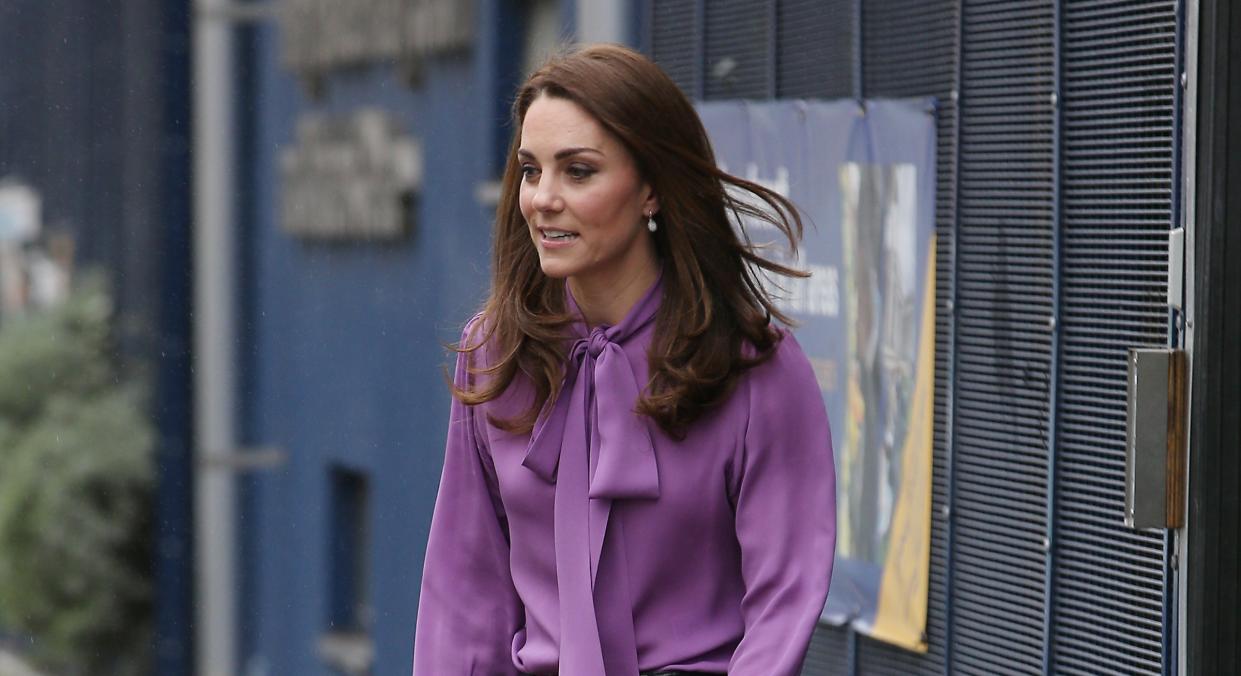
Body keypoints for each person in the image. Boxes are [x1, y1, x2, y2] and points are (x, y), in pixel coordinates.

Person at [413, 44, 835, 676]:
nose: (542, 199)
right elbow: (463, 597)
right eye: (531, 170)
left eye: (578, 171)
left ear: (650, 191)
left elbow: (785, 601)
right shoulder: (495, 352)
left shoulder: (754, 367)